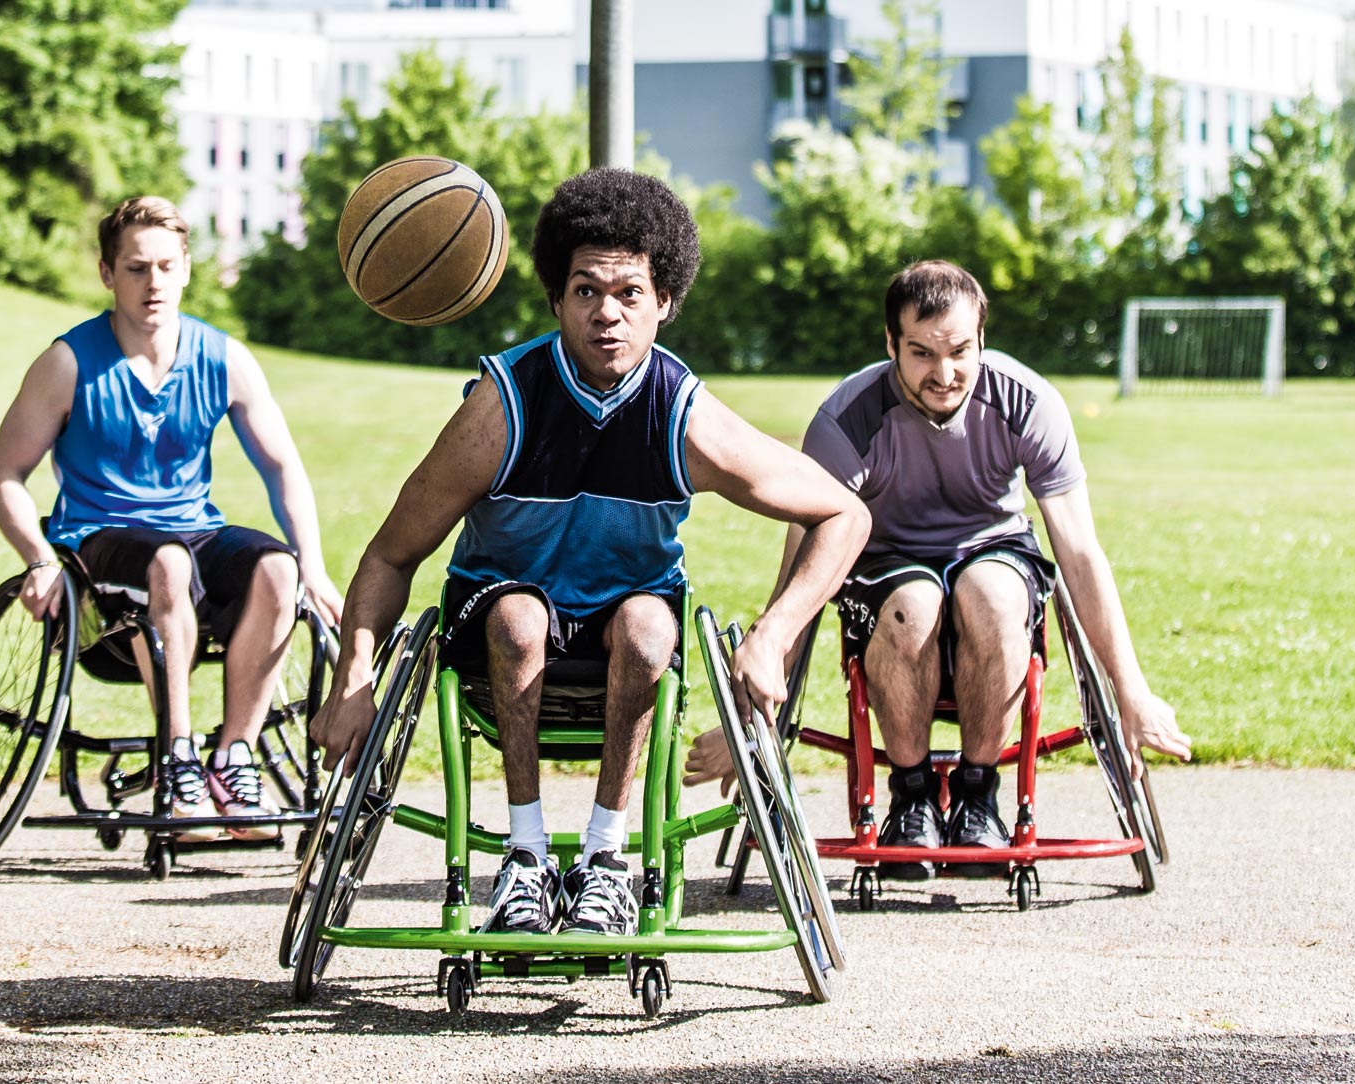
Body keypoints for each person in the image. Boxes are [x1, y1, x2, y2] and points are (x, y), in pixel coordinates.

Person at [310, 169, 868, 936]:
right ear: (557, 300)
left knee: (646, 623)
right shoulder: (501, 407)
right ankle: (525, 857)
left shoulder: (683, 414)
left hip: (628, 631)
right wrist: (353, 677)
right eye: (585, 291)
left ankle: (607, 859)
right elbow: (389, 556)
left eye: (630, 293)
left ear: (664, 303)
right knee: (518, 617)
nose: (607, 313)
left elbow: (844, 512)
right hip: (496, 625)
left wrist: (773, 639)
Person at [686, 259, 1191, 880]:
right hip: (888, 566)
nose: (944, 373)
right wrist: (745, 720)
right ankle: (912, 794)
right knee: (915, 603)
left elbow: (1080, 553)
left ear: (982, 338)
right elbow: (800, 567)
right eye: (922, 353)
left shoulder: (1028, 403)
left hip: (994, 550)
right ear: (890, 344)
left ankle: (980, 796)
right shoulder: (846, 419)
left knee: (996, 594)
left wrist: (1131, 692)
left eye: (959, 350)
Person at [0, 196, 344, 842]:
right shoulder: (67, 364)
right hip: (99, 544)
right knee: (169, 563)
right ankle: (178, 764)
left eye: (165, 267)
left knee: (277, 571)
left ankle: (232, 761)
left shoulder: (223, 358)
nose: (152, 284)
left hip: (190, 529)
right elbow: (3, 476)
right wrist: (37, 556)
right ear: (106, 274)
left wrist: (312, 567)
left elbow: (283, 466)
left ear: (185, 272)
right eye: (135, 268)